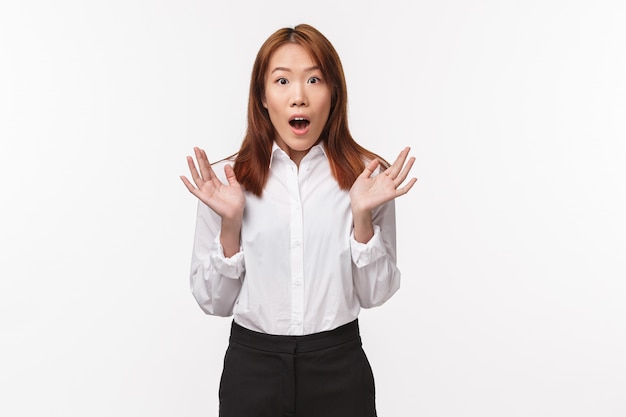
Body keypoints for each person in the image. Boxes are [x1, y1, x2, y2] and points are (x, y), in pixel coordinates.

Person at [180, 23, 416, 417]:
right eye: (283, 81)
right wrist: (231, 224)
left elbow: (376, 294)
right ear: (263, 97)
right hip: (252, 369)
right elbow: (213, 302)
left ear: (334, 92)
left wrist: (361, 217)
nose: (299, 97)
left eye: (314, 79)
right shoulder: (225, 183)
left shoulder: (367, 179)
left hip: (339, 366)